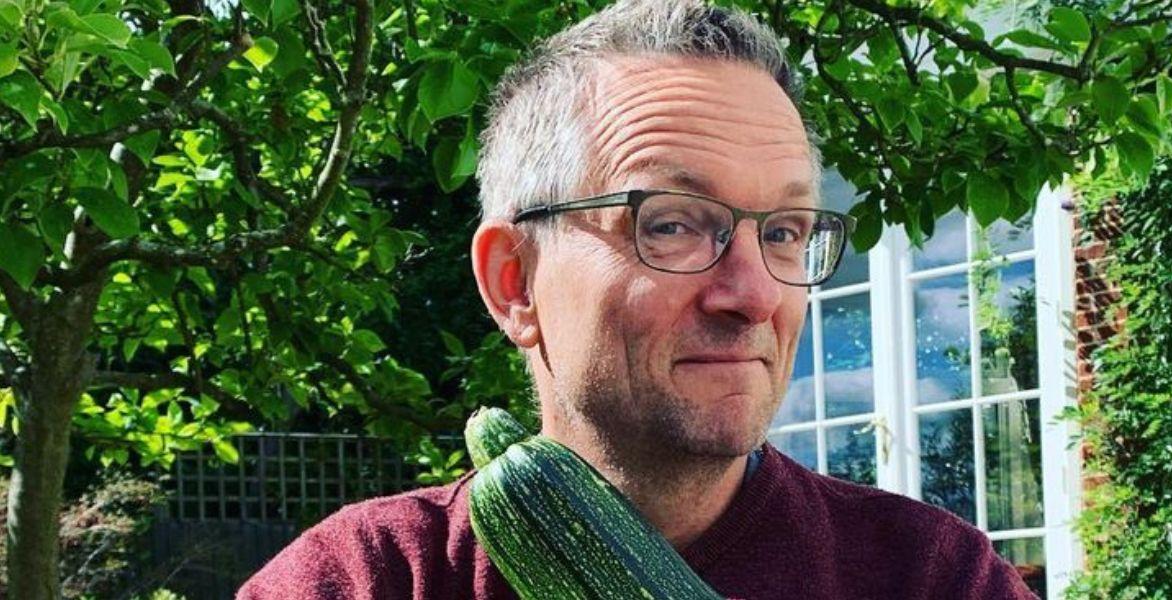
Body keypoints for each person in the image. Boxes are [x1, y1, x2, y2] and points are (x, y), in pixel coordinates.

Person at [239, 0, 1038, 598]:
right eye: (674, 224)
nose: (756, 293)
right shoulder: (369, 580)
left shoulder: (929, 577)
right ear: (514, 282)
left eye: (787, 230)